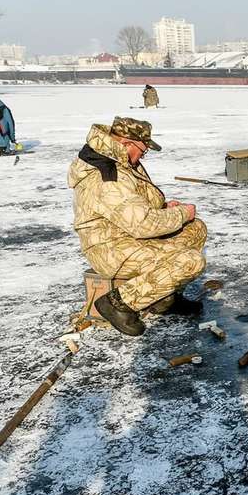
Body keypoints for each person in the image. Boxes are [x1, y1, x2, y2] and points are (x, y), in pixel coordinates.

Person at [68, 116, 206, 336]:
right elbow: (142, 224)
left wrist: (163, 207)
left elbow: (132, 207)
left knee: (195, 228)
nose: (143, 155)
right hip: (111, 248)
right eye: (143, 150)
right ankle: (118, 303)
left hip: (128, 235)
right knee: (190, 262)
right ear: (125, 143)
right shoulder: (108, 176)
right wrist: (180, 213)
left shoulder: (121, 160)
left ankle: (164, 299)